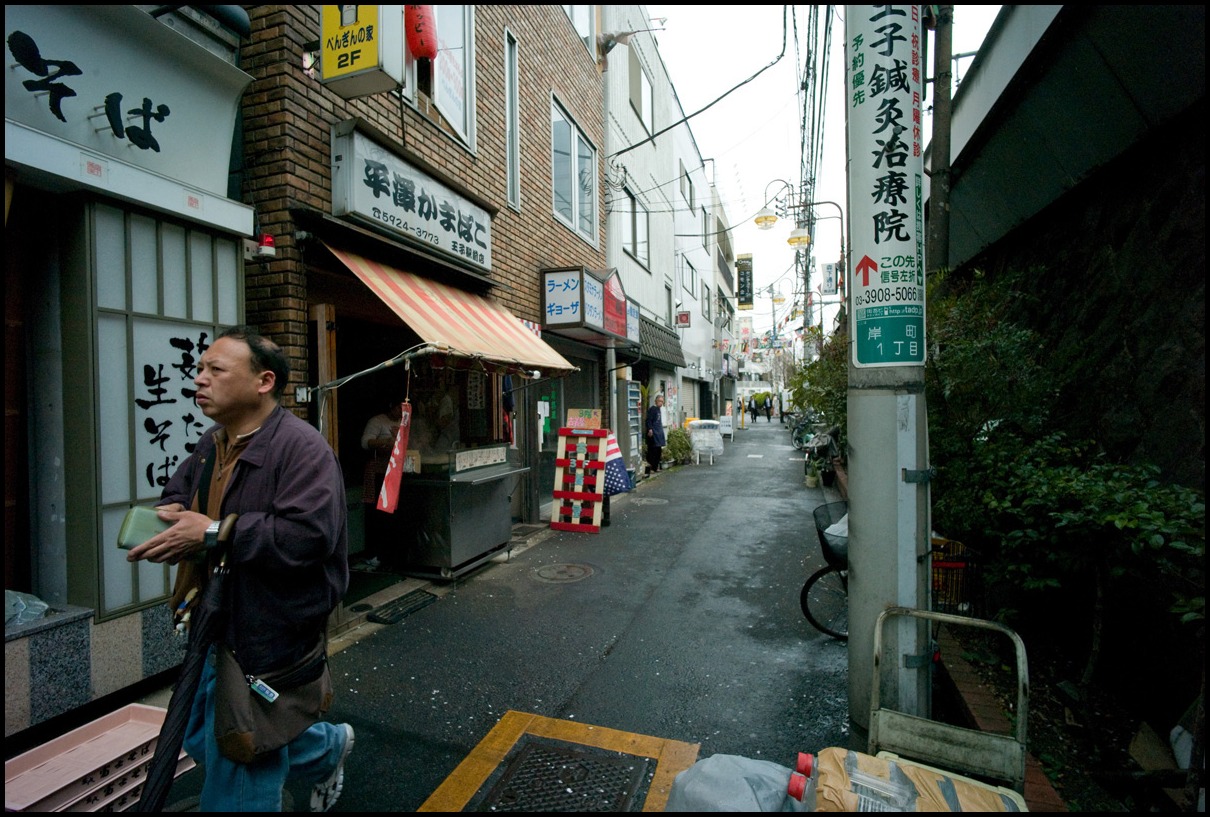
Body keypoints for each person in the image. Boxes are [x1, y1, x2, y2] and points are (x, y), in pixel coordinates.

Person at [127, 326, 353, 812]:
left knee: (240, 750)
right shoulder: (214, 442)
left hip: (271, 627)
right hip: (217, 618)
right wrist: (168, 522)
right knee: (200, 728)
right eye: (201, 368)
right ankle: (325, 748)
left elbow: (308, 538)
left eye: (216, 370)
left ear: (264, 381)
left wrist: (211, 532)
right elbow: (181, 494)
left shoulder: (303, 448)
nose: (199, 379)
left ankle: (312, 751)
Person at [360, 400, 403, 570]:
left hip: (396, 472)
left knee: (393, 515)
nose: (400, 410)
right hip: (379, 472)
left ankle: (391, 554)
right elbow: (365, 442)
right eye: (398, 407)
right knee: (378, 514)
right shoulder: (377, 421)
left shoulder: (403, 422)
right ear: (390, 406)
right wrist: (386, 442)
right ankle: (375, 555)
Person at [645, 393, 666, 475]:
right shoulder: (652, 409)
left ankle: (656, 467)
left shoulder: (659, 409)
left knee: (658, 450)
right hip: (653, 433)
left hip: (659, 432)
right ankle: (652, 468)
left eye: (662, 401)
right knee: (652, 450)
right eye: (660, 401)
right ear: (656, 401)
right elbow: (648, 420)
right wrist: (650, 429)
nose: (661, 403)